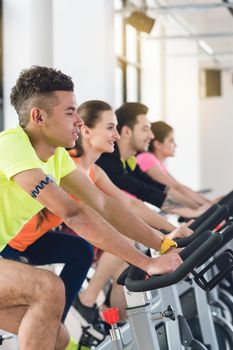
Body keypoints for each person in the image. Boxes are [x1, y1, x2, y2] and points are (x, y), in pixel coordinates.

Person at [0, 66, 183, 350]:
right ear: (38, 116)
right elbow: (73, 214)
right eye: (70, 111)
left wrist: (165, 245)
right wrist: (145, 262)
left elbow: (104, 205)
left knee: (56, 337)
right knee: (47, 287)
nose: (78, 120)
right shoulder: (12, 145)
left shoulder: (57, 157)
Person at [96, 102, 210, 218]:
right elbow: (144, 193)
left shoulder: (128, 161)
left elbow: (157, 188)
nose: (151, 135)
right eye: (145, 129)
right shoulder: (107, 160)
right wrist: (193, 212)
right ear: (127, 132)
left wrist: (196, 209)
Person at [137, 121, 210, 208]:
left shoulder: (157, 163)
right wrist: (206, 206)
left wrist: (208, 204)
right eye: (171, 140)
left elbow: (178, 186)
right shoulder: (146, 158)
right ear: (158, 144)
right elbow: (176, 188)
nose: (175, 145)